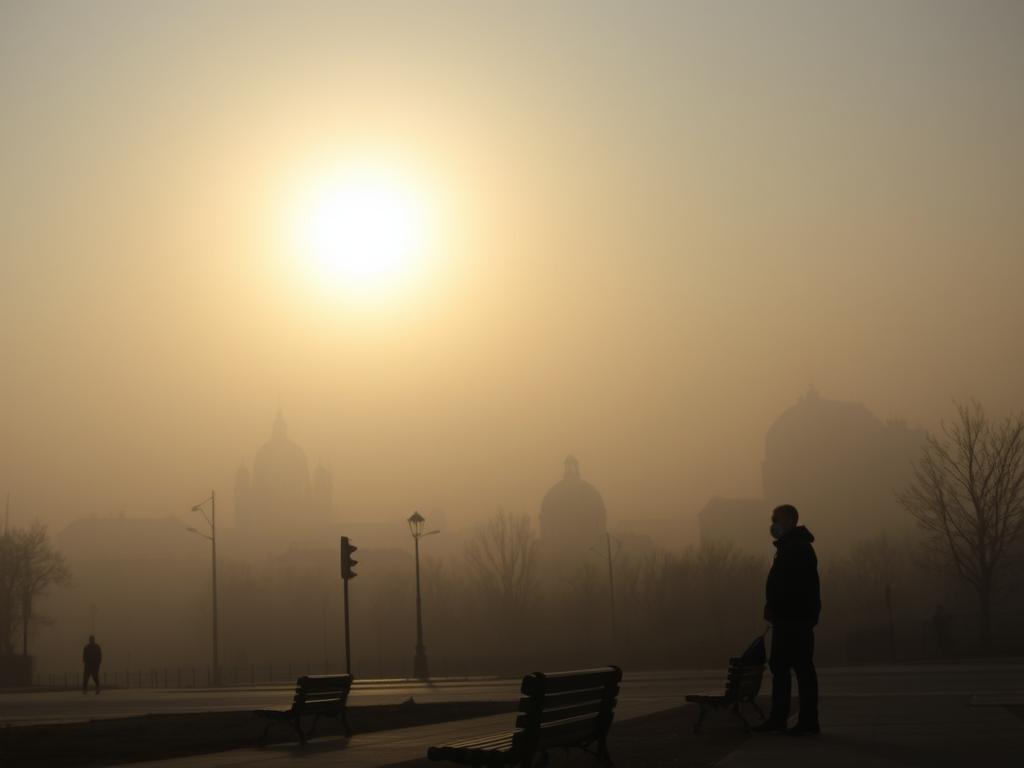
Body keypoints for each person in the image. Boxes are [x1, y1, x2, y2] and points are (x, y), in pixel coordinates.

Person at [752, 504, 820, 736]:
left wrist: (778, 608)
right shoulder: (792, 546)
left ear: (790, 521)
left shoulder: (796, 548)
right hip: (791, 618)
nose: (773, 523)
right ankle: (790, 719)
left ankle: (795, 720)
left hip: (793, 619)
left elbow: (793, 587)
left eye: (776, 519)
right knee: (789, 669)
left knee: (793, 669)